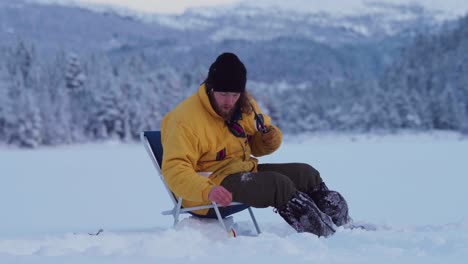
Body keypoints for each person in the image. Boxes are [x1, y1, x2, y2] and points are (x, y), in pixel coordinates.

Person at [161, 52, 350, 237]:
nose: (229, 101)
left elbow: (254, 147)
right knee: (279, 185)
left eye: (234, 94)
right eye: (223, 93)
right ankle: (326, 236)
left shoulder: (242, 106)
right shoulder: (186, 120)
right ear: (210, 88)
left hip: (239, 172)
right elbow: (174, 170)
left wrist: (268, 139)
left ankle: (341, 224)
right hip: (207, 189)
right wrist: (207, 190)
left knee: (306, 174)